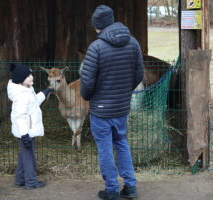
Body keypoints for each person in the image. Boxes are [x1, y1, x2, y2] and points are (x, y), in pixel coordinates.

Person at [80, 5, 143, 200]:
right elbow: (139, 74)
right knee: (122, 142)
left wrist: (87, 97)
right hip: (121, 107)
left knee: (105, 148)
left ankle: (112, 189)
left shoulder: (96, 47)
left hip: (101, 109)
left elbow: (87, 81)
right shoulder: (133, 43)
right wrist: (124, 93)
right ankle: (130, 186)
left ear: (97, 25)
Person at [7, 64, 53, 190]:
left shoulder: (27, 89)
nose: (32, 77)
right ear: (21, 78)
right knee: (29, 157)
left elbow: (33, 103)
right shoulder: (22, 95)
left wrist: (44, 92)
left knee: (24, 155)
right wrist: (24, 134)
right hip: (26, 131)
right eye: (28, 76)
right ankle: (31, 182)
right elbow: (20, 116)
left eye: (31, 74)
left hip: (27, 130)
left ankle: (20, 179)